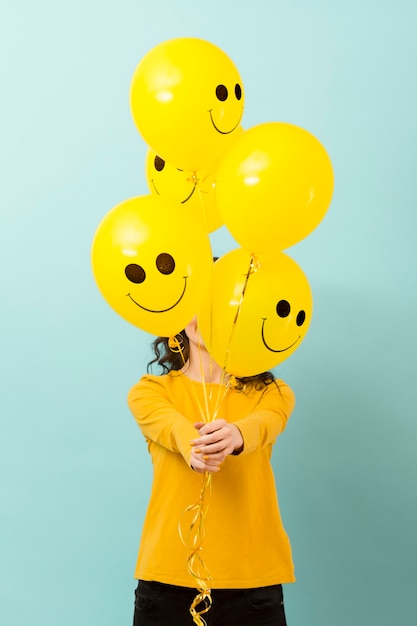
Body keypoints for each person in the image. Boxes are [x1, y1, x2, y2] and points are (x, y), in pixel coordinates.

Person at [128, 316, 296, 626]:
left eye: (219, 305)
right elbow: (170, 425)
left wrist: (235, 435)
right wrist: (195, 446)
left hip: (253, 584)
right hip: (167, 582)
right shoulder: (149, 391)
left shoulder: (273, 393)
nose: (208, 316)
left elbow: (264, 424)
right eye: (199, 306)